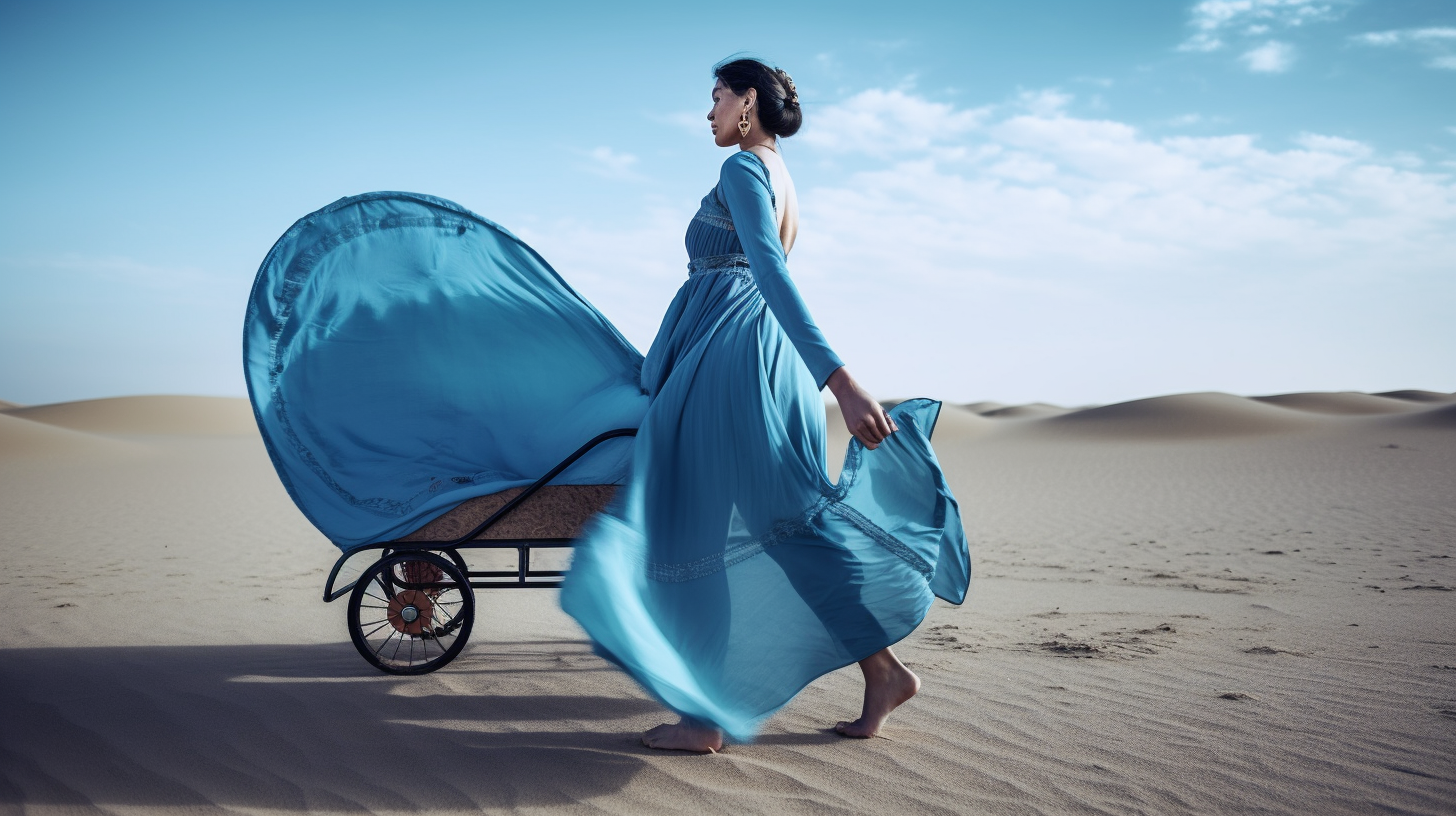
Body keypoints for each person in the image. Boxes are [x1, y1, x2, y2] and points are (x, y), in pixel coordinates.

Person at [558, 57, 970, 753]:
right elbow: (758, 277)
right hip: (752, 356)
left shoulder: (743, 169)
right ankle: (883, 672)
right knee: (787, 526)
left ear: (747, 102)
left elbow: (766, 275)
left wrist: (838, 377)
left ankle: (702, 718)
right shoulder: (783, 177)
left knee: (691, 528)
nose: (709, 112)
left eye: (716, 97)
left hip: (735, 362)